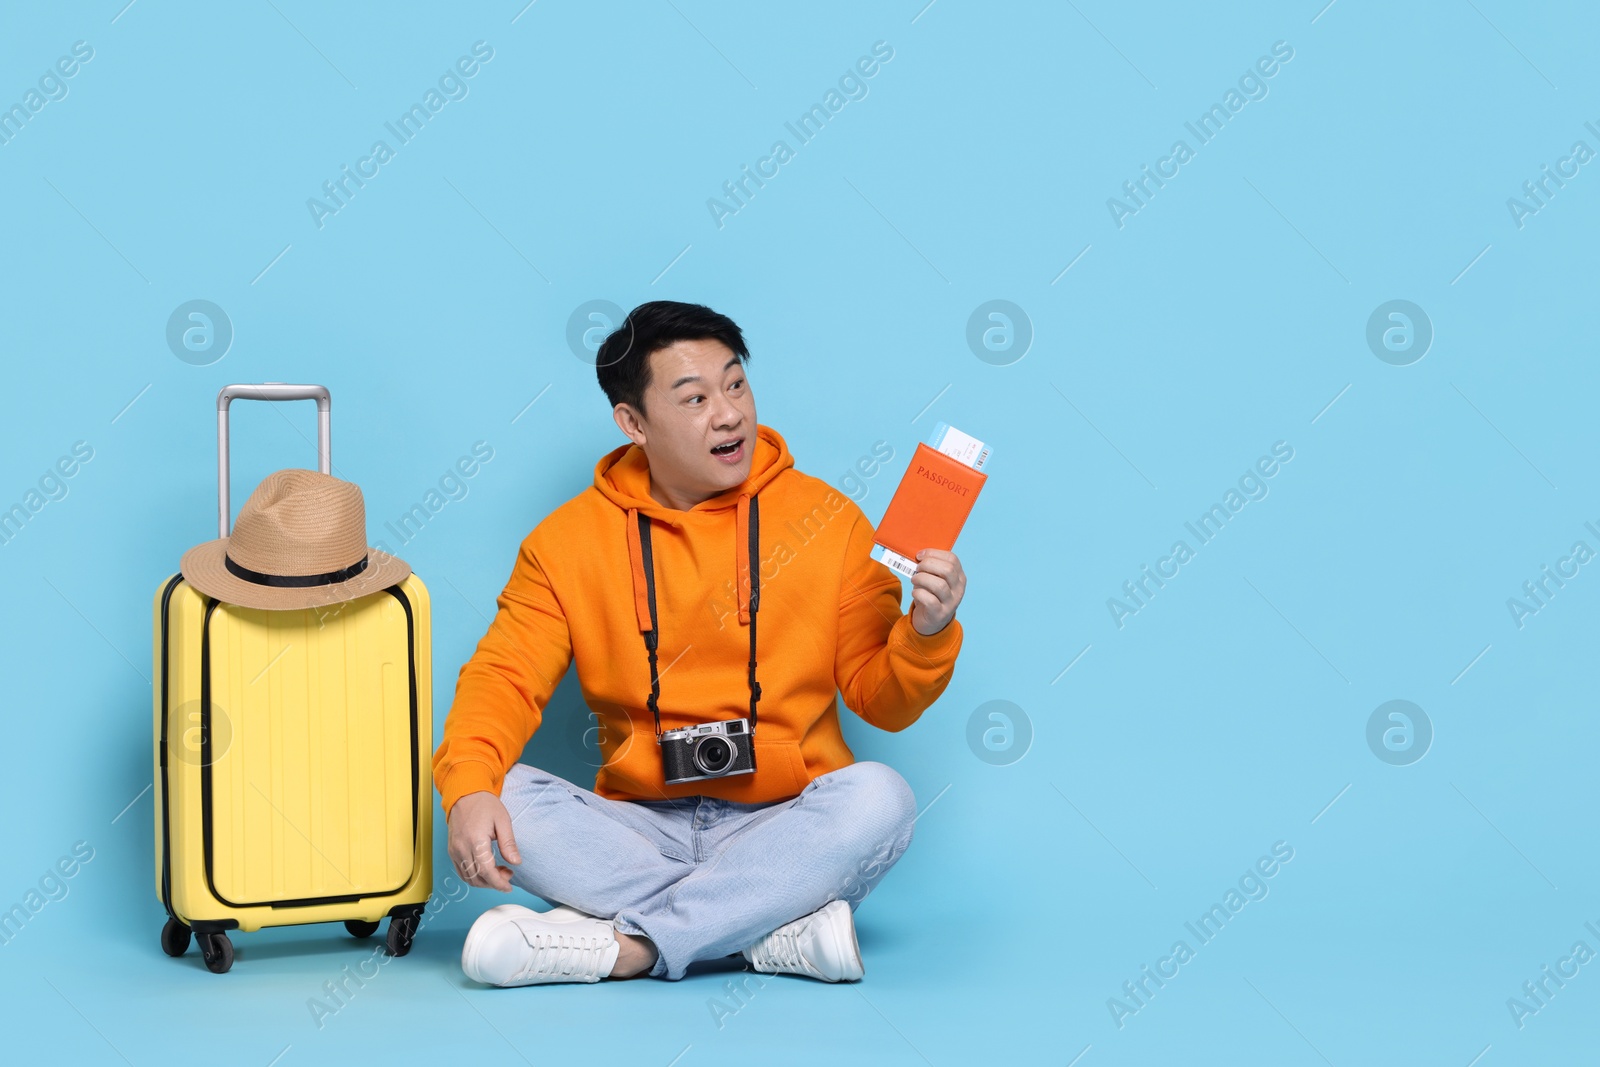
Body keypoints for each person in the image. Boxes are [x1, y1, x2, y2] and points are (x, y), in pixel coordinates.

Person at [433, 300, 967, 986]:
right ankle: (758, 929)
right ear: (633, 422)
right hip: (633, 827)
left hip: (782, 822)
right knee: (491, 788)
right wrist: (470, 789)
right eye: (695, 397)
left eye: (735, 383)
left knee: (880, 797)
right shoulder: (564, 543)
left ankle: (632, 947)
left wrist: (926, 633)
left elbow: (882, 700)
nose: (729, 413)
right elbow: (503, 676)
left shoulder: (829, 521)